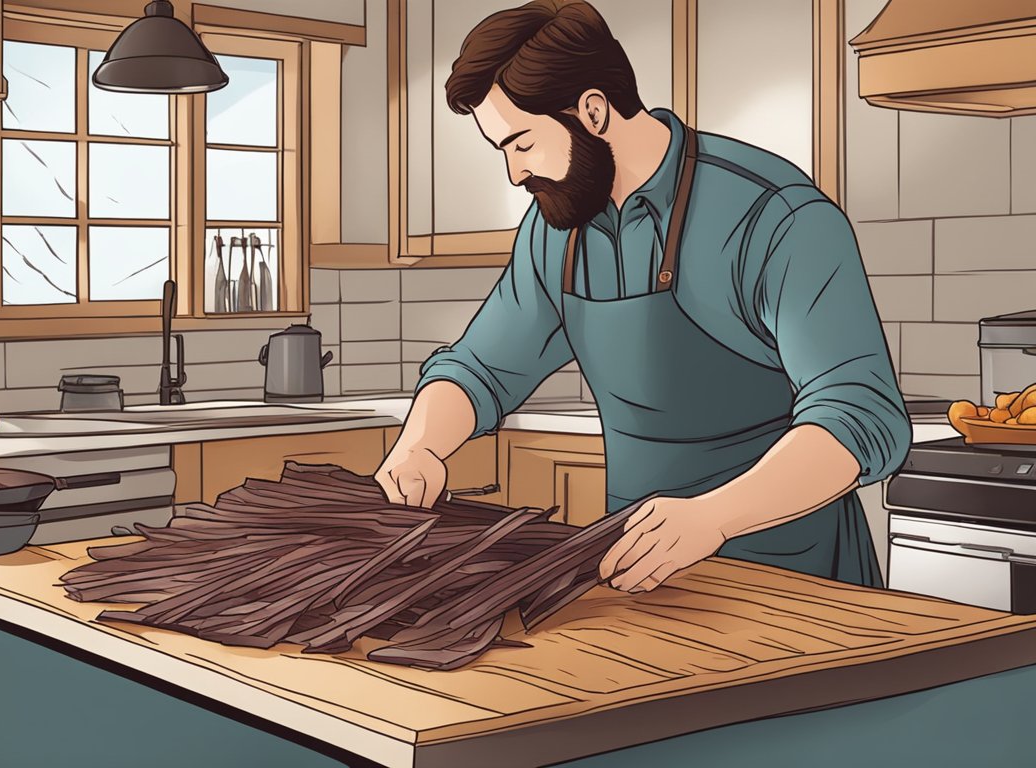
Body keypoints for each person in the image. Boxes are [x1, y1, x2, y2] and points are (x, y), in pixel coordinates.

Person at [374, 0, 910, 593]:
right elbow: (481, 367)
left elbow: (860, 416)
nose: (513, 174)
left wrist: (713, 517)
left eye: (521, 144)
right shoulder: (558, 228)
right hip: (640, 576)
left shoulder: (774, 214)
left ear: (594, 111)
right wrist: (422, 445)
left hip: (797, 580)